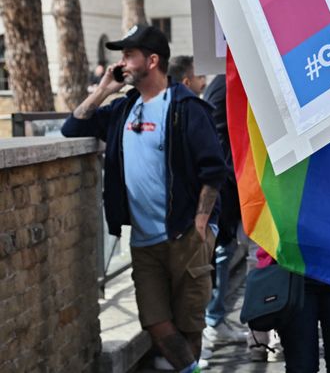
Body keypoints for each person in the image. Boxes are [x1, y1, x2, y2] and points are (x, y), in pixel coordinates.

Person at [61, 24, 227, 373]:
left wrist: (200, 222)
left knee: (189, 324)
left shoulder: (186, 107)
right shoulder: (123, 109)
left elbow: (214, 170)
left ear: (152, 61)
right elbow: (72, 128)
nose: (121, 62)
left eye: (128, 56)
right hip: (144, 240)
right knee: (154, 321)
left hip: (186, 234)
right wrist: (103, 90)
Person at [194, 71, 250, 353]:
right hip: (227, 186)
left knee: (227, 253)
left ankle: (215, 321)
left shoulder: (228, 81)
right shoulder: (223, 84)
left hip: (233, 184)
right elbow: (219, 138)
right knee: (220, 254)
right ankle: (210, 324)